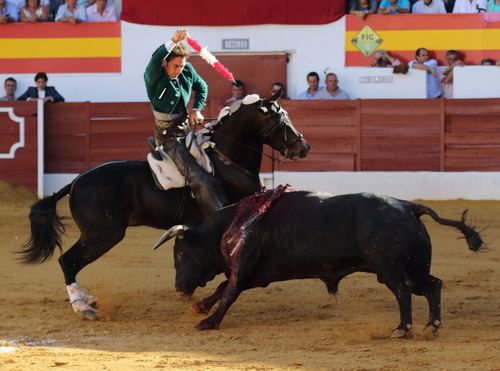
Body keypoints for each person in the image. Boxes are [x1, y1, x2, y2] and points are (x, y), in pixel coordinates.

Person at [144, 28, 227, 216]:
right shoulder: (154, 75)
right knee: (197, 174)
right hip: (168, 138)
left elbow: (202, 86)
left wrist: (196, 109)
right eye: (176, 66)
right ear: (165, 63)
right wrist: (173, 40)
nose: (179, 70)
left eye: (182, 66)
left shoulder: (186, 70)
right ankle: (214, 217)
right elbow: (154, 59)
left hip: (186, 130)